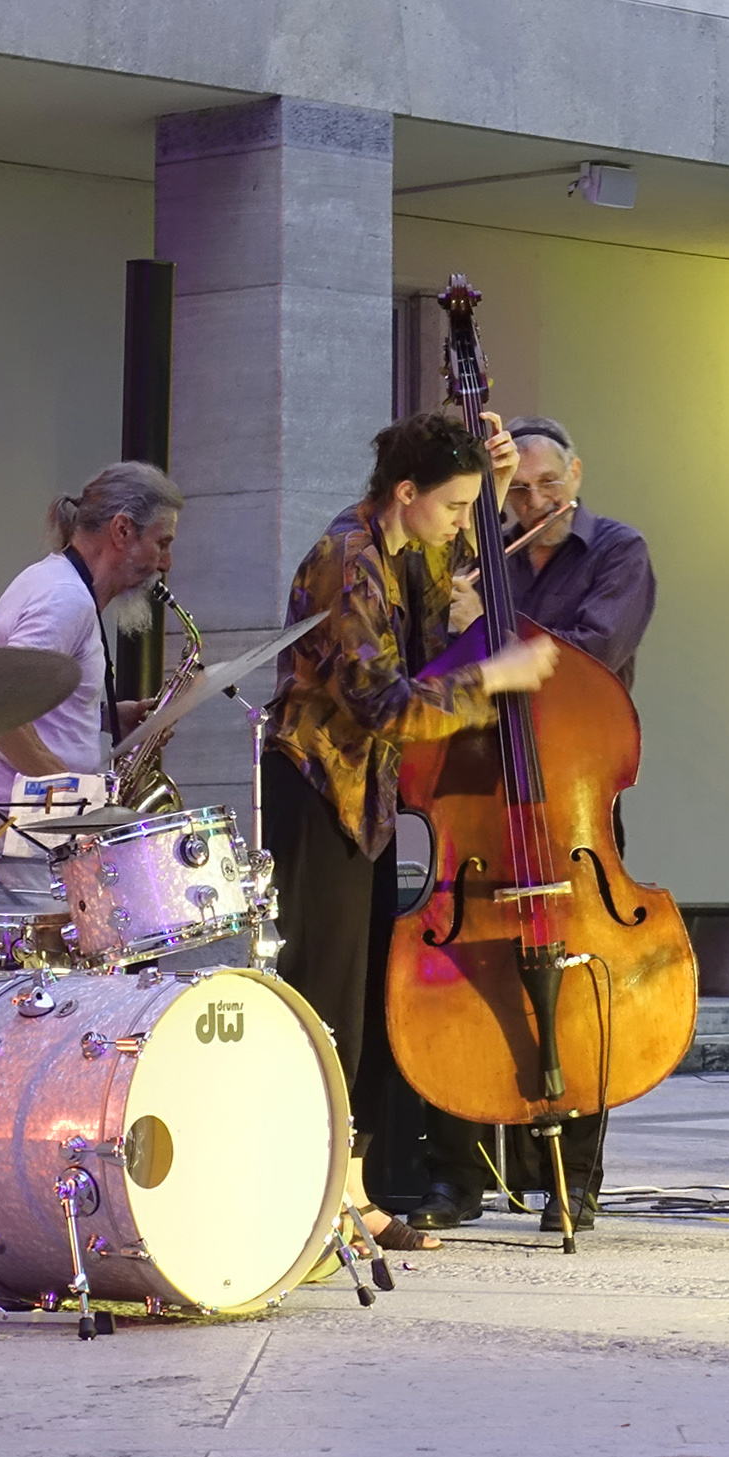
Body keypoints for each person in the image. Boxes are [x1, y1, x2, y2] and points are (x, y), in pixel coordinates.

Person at [262, 410, 559, 1253]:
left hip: (368, 798)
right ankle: (309, 1200)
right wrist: (490, 677)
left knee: (359, 1005)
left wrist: (495, 485)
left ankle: (351, 1196)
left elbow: (435, 632)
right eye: (456, 506)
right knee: (325, 1000)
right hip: (317, 791)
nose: (465, 524)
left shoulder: (406, 549)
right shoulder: (346, 558)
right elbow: (386, 705)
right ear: (404, 492)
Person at [407, 414, 657, 1236]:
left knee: (585, 987)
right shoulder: (478, 557)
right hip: (481, 801)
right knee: (459, 982)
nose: (537, 501)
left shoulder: (617, 551)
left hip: (575, 799)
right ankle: (455, 1176)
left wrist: (494, 625)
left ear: (576, 475)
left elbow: (588, 655)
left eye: (551, 485)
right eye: (519, 491)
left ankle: (572, 1182)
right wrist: (453, 619)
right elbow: (430, 669)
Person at [0, 462, 183, 836]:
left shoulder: (57, 582)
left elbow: (29, 703)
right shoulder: (66, 600)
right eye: (162, 543)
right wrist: (79, 807)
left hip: (22, 820)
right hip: (17, 825)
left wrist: (105, 717)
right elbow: (1, 715)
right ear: (122, 529)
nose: (165, 562)